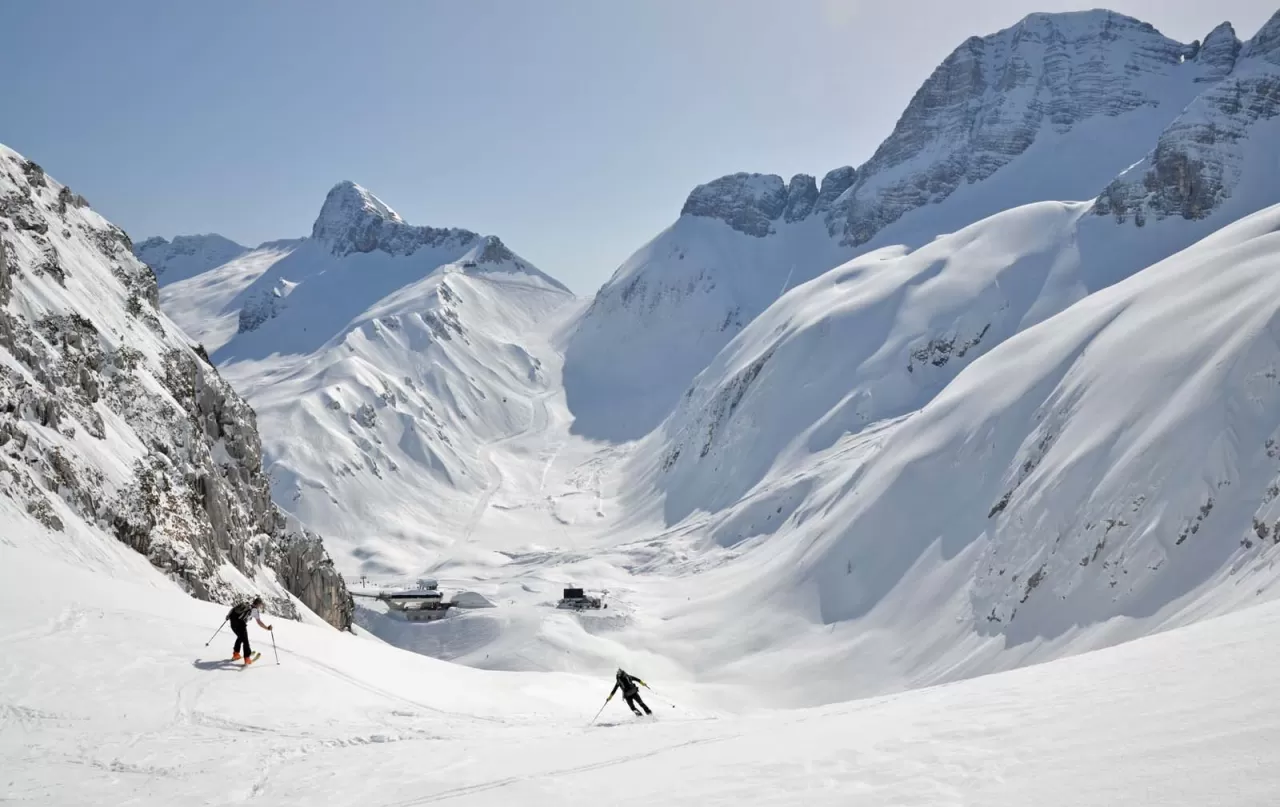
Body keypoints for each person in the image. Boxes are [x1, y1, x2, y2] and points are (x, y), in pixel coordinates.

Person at [227, 596, 272, 665]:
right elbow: (259, 622)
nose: (260, 606)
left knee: (240, 637)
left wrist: (228, 616)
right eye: (260, 604)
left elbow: (233, 610)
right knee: (245, 641)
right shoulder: (255, 611)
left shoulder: (246, 605)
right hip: (241, 624)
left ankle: (236, 654)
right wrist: (267, 628)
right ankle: (247, 658)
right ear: (258, 604)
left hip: (232, 623)